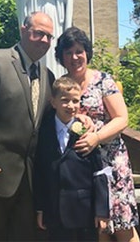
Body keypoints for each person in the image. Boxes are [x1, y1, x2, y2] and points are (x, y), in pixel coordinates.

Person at [0, 12, 93, 241]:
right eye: (38, 33)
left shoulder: (47, 76)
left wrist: (80, 120)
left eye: (49, 36)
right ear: (23, 30)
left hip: (28, 183)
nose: (45, 41)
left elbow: (53, 117)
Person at [55, 27, 140, 242]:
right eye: (68, 52)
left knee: (122, 225)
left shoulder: (103, 81)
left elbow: (122, 118)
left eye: (79, 51)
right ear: (61, 56)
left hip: (111, 164)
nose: (74, 57)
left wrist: (97, 137)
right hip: (83, 169)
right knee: (97, 228)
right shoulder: (62, 86)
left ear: (87, 52)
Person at [34, 77, 110, 241]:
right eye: (65, 100)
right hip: (54, 212)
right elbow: (39, 172)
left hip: (84, 212)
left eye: (75, 101)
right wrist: (40, 208)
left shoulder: (87, 132)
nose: (71, 106)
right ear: (53, 102)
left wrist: (102, 210)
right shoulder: (43, 132)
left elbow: (100, 172)